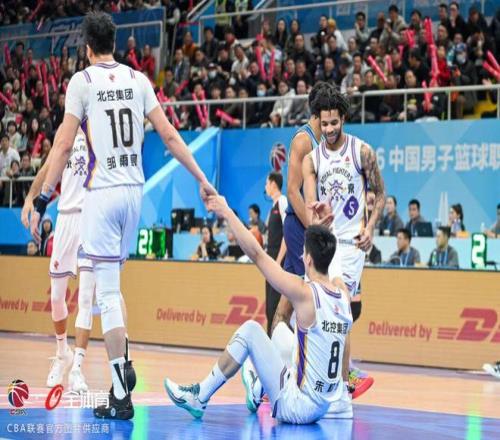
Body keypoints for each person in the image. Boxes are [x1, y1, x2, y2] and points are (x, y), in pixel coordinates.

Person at [29, 12, 215, 420]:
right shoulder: (138, 79)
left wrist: (43, 197)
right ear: (115, 44)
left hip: (102, 193)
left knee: (107, 295)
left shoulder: (83, 82)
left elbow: (62, 145)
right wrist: (202, 178)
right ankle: (122, 366)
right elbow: (169, 135)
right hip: (134, 193)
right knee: (112, 288)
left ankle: (119, 392)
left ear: (86, 48)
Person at [165, 196, 353, 423]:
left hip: (297, 407)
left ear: (308, 259)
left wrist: (227, 212)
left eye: (304, 252)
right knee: (282, 333)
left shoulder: (305, 293)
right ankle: (256, 384)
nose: (301, 256)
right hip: (322, 406)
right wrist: (326, 229)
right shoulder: (342, 294)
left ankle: (200, 396)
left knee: (251, 330)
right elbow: (335, 260)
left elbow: (257, 254)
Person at [302, 86, 385, 399]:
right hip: (324, 243)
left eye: (334, 123)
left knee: (339, 308)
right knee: (310, 312)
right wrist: (315, 218)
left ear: (344, 119)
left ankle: (341, 382)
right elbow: (310, 206)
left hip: (351, 246)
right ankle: (312, 377)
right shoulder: (312, 160)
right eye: (324, 124)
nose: (329, 129)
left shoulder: (362, 152)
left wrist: (371, 227)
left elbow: (381, 194)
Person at [22, 128, 97, 393]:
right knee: (56, 298)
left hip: (91, 217)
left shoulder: (98, 125)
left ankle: (77, 368)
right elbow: (48, 167)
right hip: (65, 218)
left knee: (85, 298)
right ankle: (63, 352)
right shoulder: (66, 132)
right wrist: (30, 198)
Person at [264, 172, 288, 336]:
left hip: (279, 261)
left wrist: (278, 261)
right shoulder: (273, 206)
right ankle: (269, 341)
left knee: (275, 306)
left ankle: (276, 343)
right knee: (269, 307)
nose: (265, 187)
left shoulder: (283, 201)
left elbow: (288, 233)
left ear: (273, 184)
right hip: (271, 259)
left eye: (267, 184)